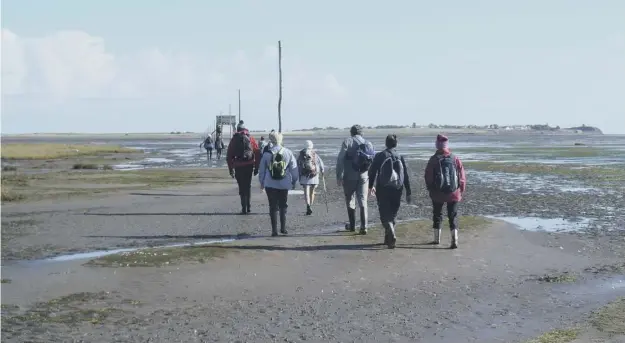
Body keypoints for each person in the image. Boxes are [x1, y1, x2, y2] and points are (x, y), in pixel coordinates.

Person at [368, 134, 412, 249]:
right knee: (393, 213)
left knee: (384, 213)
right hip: (398, 188)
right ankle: (388, 239)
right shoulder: (400, 156)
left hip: (383, 188)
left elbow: (372, 172)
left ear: (386, 143)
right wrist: (408, 191)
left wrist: (370, 186)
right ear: (396, 144)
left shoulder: (380, 155)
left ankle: (390, 231)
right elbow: (405, 175)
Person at [424, 134, 466, 249]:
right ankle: (454, 240)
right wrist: (461, 190)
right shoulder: (455, 158)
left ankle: (437, 239)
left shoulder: (433, 159)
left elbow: (428, 176)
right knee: (453, 215)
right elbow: (462, 177)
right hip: (454, 192)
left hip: (437, 193)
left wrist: (430, 189)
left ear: (437, 144)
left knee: (437, 214)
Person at [336, 124, 375, 234]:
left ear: (351, 132)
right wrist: (371, 180)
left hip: (349, 176)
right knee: (363, 200)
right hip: (364, 175)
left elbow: (340, 160)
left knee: (350, 199)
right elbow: (372, 162)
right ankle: (364, 227)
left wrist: (339, 176)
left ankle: (352, 226)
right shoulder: (368, 143)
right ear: (361, 133)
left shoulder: (347, 141)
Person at [258, 131, 299, 236]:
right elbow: (294, 169)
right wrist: (294, 181)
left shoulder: (267, 154)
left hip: (270, 183)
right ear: (281, 140)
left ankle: (274, 231)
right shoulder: (288, 152)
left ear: (271, 140)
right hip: (284, 183)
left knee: (273, 206)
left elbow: (261, 170)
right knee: (283, 205)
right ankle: (283, 228)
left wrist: (262, 182)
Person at [227, 122, 261, 214]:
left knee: (241, 187)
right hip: (249, 165)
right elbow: (257, 153)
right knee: (248, 186)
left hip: (238, 166)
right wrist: (256, 167)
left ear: (237, 130)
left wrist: (231, 170)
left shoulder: (234, 139)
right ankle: (248, 207)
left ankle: (243, 208)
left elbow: (229, 155)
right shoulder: (251, 138)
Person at [297, 140, 325, 215]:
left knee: (306, 191)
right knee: (312, 192)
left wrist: (298, 175)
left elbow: (298, 164)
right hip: (314, 175)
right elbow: (320, 163)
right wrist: (322, 171)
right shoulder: (314, 154)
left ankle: (308, 206)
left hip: (304, 175)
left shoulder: (301, 154)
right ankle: (311, 205)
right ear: (311, 145)